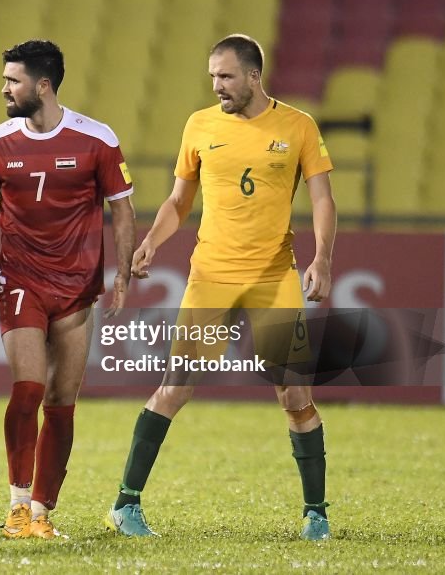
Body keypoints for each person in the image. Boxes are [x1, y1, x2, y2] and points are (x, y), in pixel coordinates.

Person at [104, 34, 336, 541]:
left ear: (254, 76)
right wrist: (151, 243)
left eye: (226, 76)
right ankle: (126, 504)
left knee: (295, 395)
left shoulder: (298, 126)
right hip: (210, 275)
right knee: (174, 388)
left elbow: (322, 198)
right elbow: (177, 201)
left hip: (274, 277)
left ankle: (316, 513)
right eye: (213, 76)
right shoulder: (200, 125)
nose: (217, 85)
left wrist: (322, 257)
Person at [0, 39, 137, 539]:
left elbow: (121, 209)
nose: (4, 89)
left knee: (62, 399)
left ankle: (41, 512)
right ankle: (17, 505)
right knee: (29, 387)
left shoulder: (97, 139)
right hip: (20, 278)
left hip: (77, 285)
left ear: (43, 85)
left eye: (12, 81)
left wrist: (122, 273)